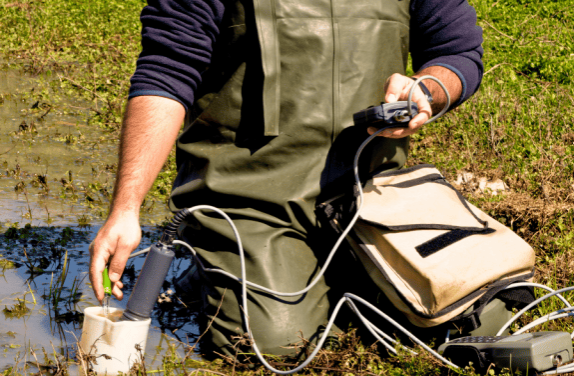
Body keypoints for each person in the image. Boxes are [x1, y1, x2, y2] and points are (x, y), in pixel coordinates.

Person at [89, 0, 484, 357]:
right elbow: (167, 74)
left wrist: (429, 90)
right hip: (246, 198)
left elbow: (458, 51)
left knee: (478, 313)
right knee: (273, 344)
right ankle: (210, 267)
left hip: (372, 197)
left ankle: (325, 272)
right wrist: (126, 208)